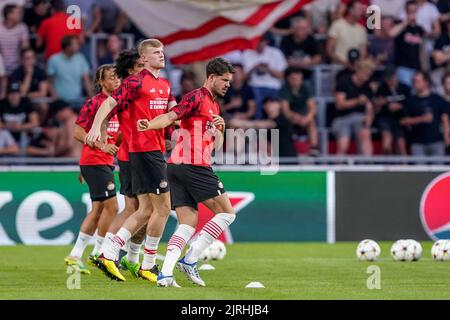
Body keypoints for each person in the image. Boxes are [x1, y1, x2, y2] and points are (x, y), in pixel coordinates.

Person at [137, 57, 236, 287]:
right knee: (227, 213)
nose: (227, 85)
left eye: (229, 82)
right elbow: (171, 116)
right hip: (193, 165)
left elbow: (216, 146)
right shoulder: (196, 97)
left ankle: (166, 274)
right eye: (224, 80)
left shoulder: (214, 106)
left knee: (188, 222)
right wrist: (150, 124)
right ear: (211, 77)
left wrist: (220, 129)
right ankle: (190, 260)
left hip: (178, 167)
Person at [85, 39, 176, 283]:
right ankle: (122, 256)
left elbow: (173, 112)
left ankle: (122, 256)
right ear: (143, 59)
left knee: (145, 209)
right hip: (143, 151)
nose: (161, 55)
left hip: (153, 150)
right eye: (156, 52)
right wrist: (96, 127)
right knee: (162, 208)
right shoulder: (135, 82)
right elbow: (110, 102)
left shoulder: (165, 84)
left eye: (162, 52)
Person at [94, 48, 147, 277]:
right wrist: (100, 133)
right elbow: (108, 112)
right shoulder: (131, 87)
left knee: (136, 208)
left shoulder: (134, 88)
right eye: (141, 64)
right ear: (134, 67)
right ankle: (109, 252)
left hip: (130, 153)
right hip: (135, 154)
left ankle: (119, 255)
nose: (145, 68)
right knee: (145, 208)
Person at [64, 64, 120, 274]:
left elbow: (116, 135)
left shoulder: (117, 104)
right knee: (112, 207)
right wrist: (100, 146)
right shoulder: (95, 103)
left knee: (98, 210)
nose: (117, 81)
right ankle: (97, 252)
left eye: (118, 77)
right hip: (96, 160)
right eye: (112, 78)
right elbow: (78, 132)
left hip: (99, 162)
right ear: (101, 82)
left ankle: (76, 255)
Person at [229, 97, 298, 159]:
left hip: (287, 159)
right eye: (266, 104)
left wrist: (239, 122)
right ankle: (235, 157)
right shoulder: (264, 120)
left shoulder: (282, 119)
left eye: (272, 103)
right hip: (272, 159)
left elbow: (261, 124)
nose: (269, 106)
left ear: (279, 105)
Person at [332, 59, 375, 155]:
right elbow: (339, 105)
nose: (366, 77)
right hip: (342, 118)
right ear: (358, 70)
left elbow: (369, 108)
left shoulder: (367, 86)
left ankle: (366, 167)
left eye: (368, 75)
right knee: (343, 145)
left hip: (360, 118)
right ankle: (338, 167)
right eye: (365, 74)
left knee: (365, 137)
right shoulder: (344, 81)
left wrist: (368, 123)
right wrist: (357, 101)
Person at [401, 71, 448, 156]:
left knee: (439, 169)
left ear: (426, 82)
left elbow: (445, 118)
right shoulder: (410, 100)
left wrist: (446, 137)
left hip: (436, 142)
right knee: (419, 169)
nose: (414, 84)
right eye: (413, 81)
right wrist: (421, 119)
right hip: (417, 143)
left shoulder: (436, 99)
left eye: (417, 81)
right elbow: (403, 121)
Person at [242, 34, 287, 119]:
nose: (259, 44)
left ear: (266, 42)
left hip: (274, 86)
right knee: (257, 102)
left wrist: (268, 69)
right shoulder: (247, 53)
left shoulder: (276, 52)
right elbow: (244, 78)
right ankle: (259, 127)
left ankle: (275, 127)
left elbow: (281, 75)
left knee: (274, 108)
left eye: (261, 42)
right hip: (255, 86)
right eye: (257, 42)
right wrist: (255, 67)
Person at [279, 67, 319, 156]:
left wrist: (307, 118)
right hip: (290, 118)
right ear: (288, 79)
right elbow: (285, 110)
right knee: (285, 122)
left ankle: (314, 148)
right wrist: (295, 117)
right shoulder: (284, 89)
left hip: (304, 118)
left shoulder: (306, 88)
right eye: (294, 79)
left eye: (299, 79)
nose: (297, 81)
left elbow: (312, 107)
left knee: (311, 122)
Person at [47, 35, 93, 110]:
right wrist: (55, 97)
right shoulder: (54, 60)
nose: (78, 45)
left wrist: (92, 97)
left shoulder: (81, 58)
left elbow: (86, 80)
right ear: (67, 47)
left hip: (77, 101)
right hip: (60, 102)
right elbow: (49, 82)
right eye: (75, 44)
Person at [374, 68, 410, 155]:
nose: (389, 81)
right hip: (386, 118)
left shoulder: (404, 88)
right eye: (388, 79)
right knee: (387, 144)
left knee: (401, 145)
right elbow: (376, 108)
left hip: (400, 119)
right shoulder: (382, 88)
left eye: (391, 78)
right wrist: (380, 103)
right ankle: (388, 165)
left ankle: (403, 166)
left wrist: (400, 106)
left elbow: (411, 104)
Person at [391, 1, 425, 87]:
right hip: (403, 67)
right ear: (406, 12)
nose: (412, 14)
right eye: (410, 12)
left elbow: (420, 49)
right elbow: (391, 33)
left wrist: (422, 67)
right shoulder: (400, 24)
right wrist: (406, 22)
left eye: (414, 12)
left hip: (416, 68)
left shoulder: (419, 29)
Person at [327, 0, 367, 65]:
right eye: (359, 9)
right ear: (351, 10)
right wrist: (344, 63)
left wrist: (357, 64)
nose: (362, 12)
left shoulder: (362, 29)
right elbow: (329, 50)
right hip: (338, 67)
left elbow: (363, 52)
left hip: (355, 68)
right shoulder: (337, 25)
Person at [0, 81, 39, 148]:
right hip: (6, 133)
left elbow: (35, 122)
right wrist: (7, 125)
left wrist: (20, 127)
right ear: (7, 95)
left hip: (23, 133)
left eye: (16, 93)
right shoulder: (2, 103)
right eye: (11, 94)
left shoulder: (26, 102)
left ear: (20, 94)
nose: (14, 96)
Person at [0, 4, 29, 75]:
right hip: (1, 67)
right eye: (18, 13)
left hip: (18, 67)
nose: (21, 15)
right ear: (9, 15)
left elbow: (25, 46)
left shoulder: (22, 27)